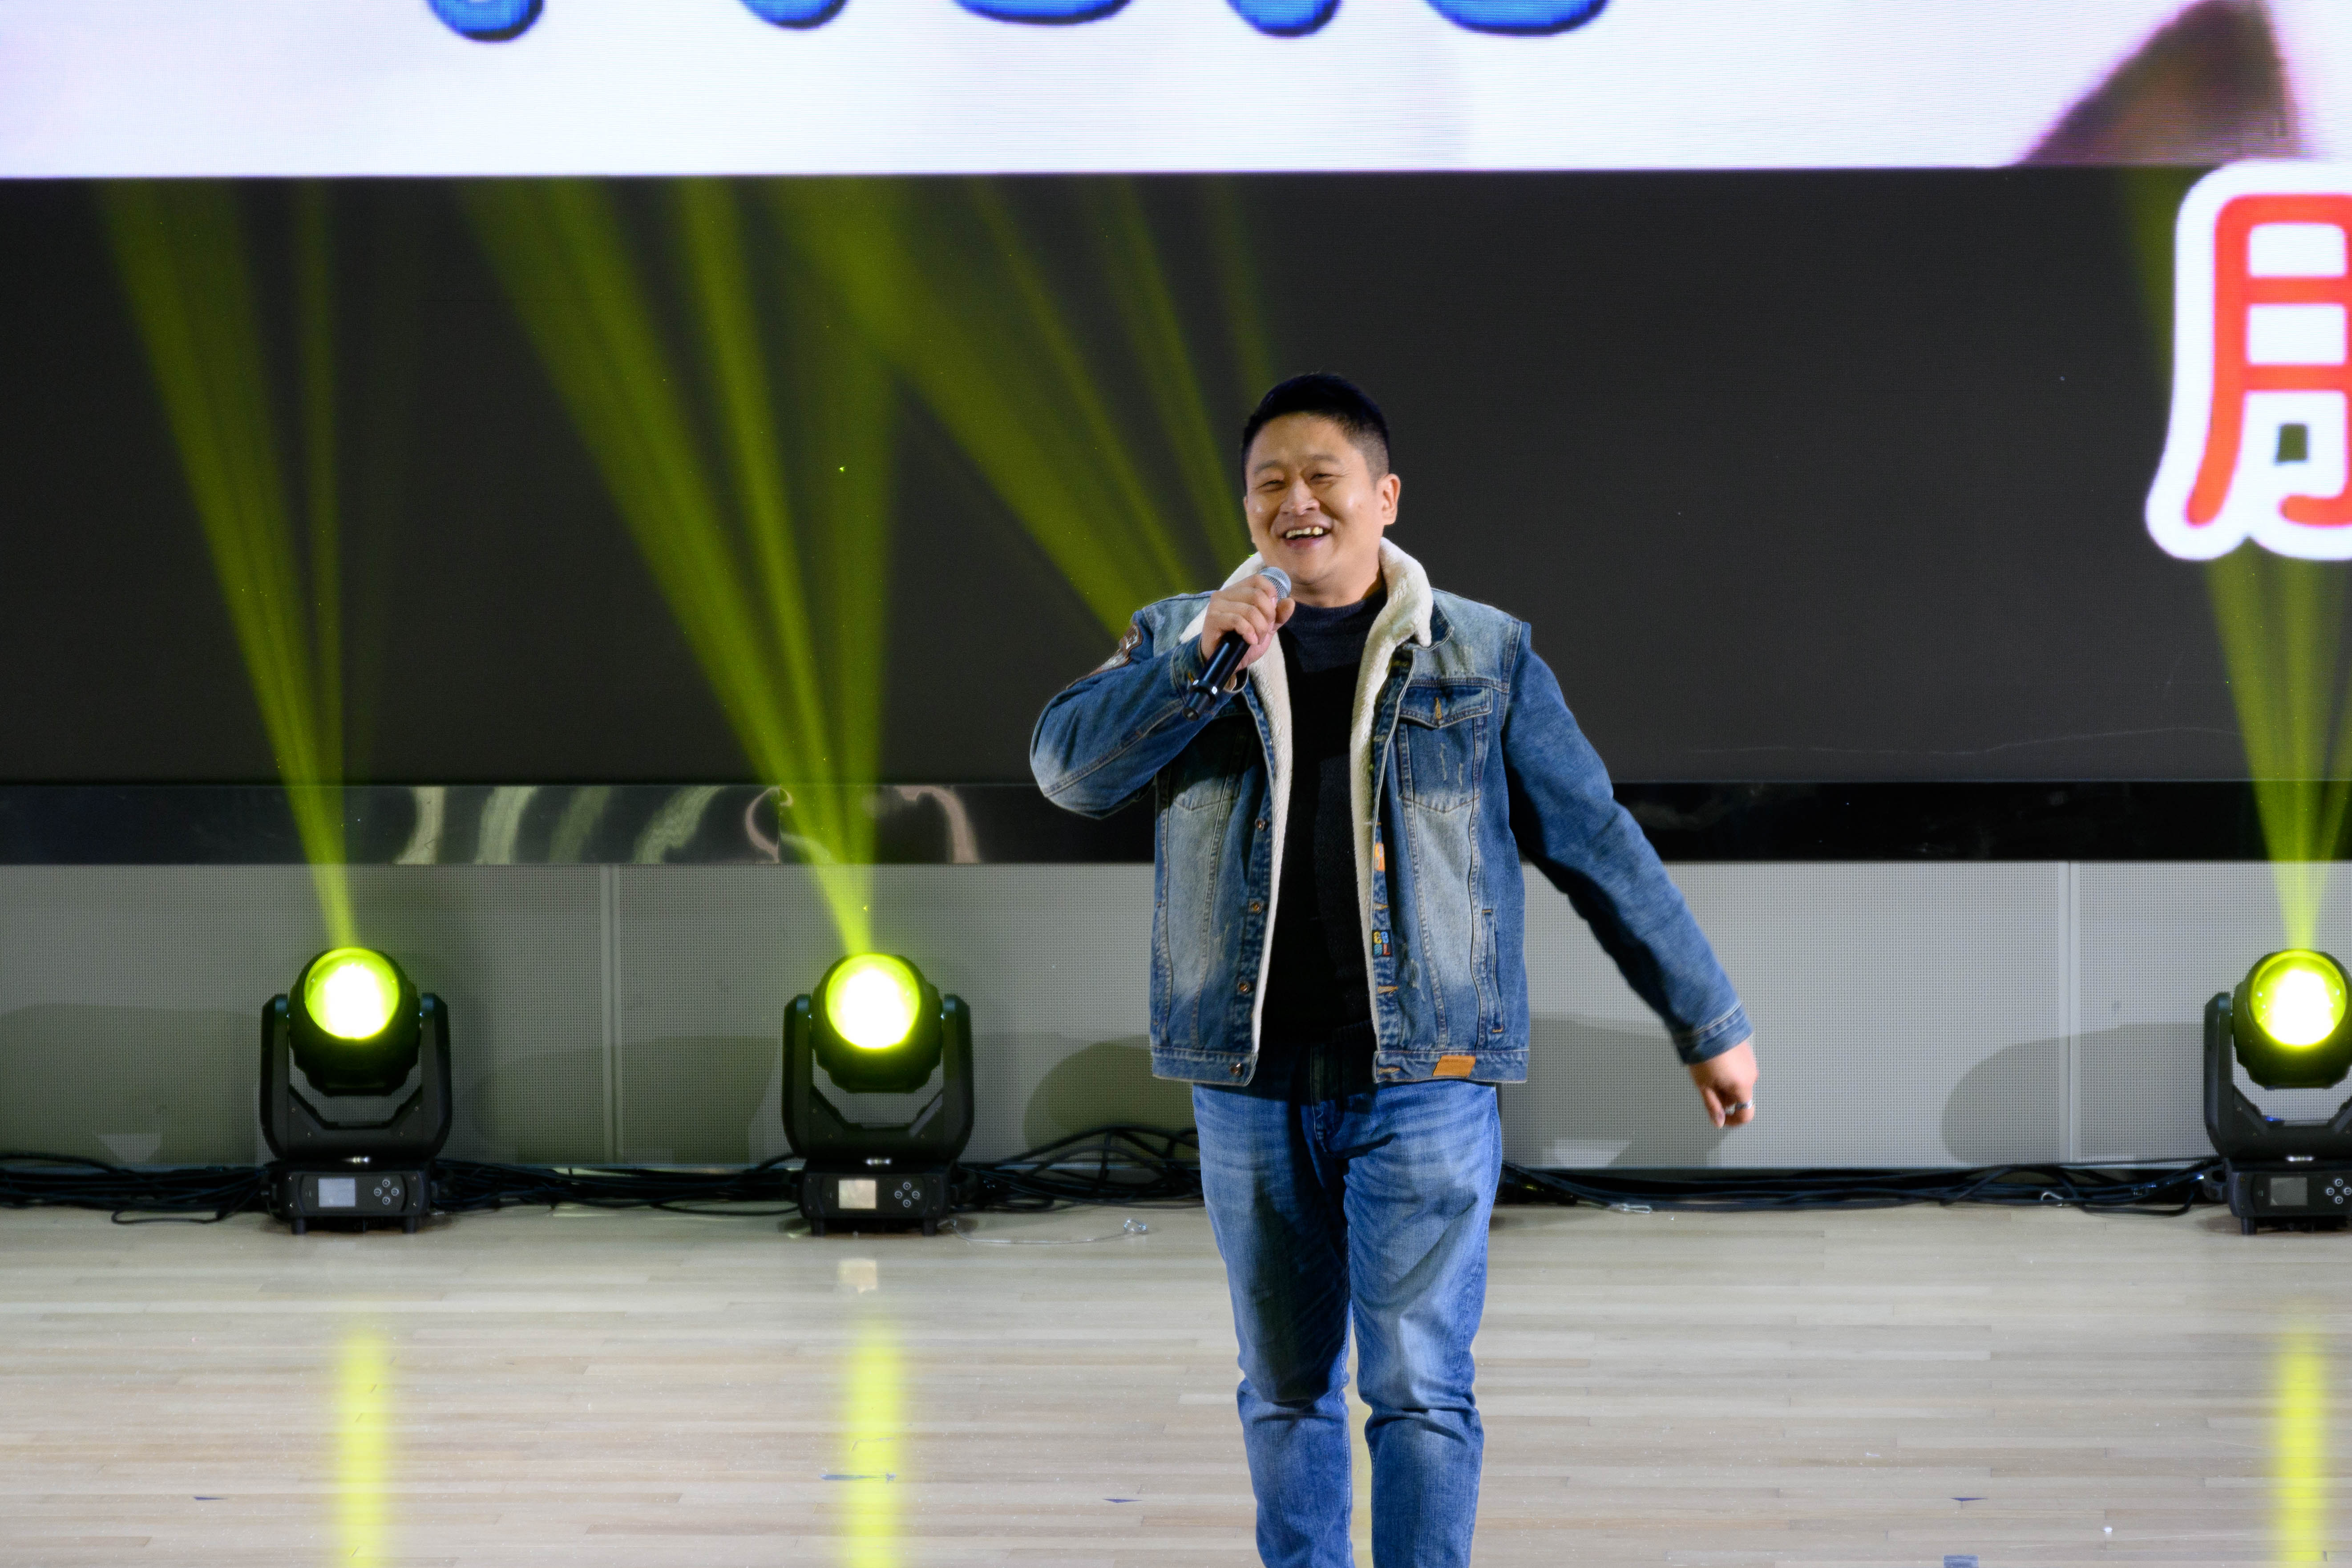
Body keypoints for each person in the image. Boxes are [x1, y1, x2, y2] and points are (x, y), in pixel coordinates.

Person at [1030, 373, 1758, 1568]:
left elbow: (1594, 841)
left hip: (1424, 1081)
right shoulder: (1183, 637)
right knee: (1283, 1387)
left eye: (1324, 477)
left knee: (1419, 1386)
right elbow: (1068, 771)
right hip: (1249, 1084)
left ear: (1384, 495)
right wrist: (1193, 663)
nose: (1297, 502)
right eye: (1270, 482)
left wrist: (1706, 1019)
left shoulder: (1482, 653)